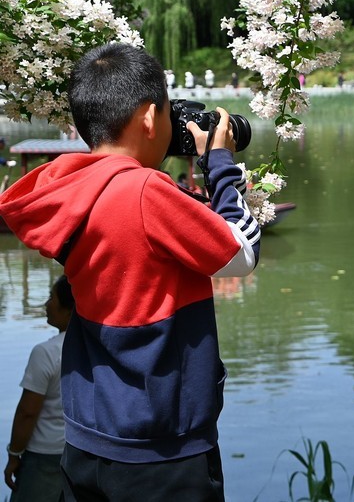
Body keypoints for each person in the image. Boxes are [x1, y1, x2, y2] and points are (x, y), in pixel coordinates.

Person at [0, 43, 262, 502]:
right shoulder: (143, 191)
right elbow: (239, 253)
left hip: (87, 439)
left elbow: (137, 240)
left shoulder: (70, 188)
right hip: (161, 449)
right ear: (147, 118)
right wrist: (218, 162)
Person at [5, 275, 74, 502]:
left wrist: (14, 454)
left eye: (51, 297)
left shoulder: (46, 352)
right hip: (80, 451)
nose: (46, 304)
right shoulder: (95, 348)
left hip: (44, 455)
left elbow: (28, 411)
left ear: (68, 309)